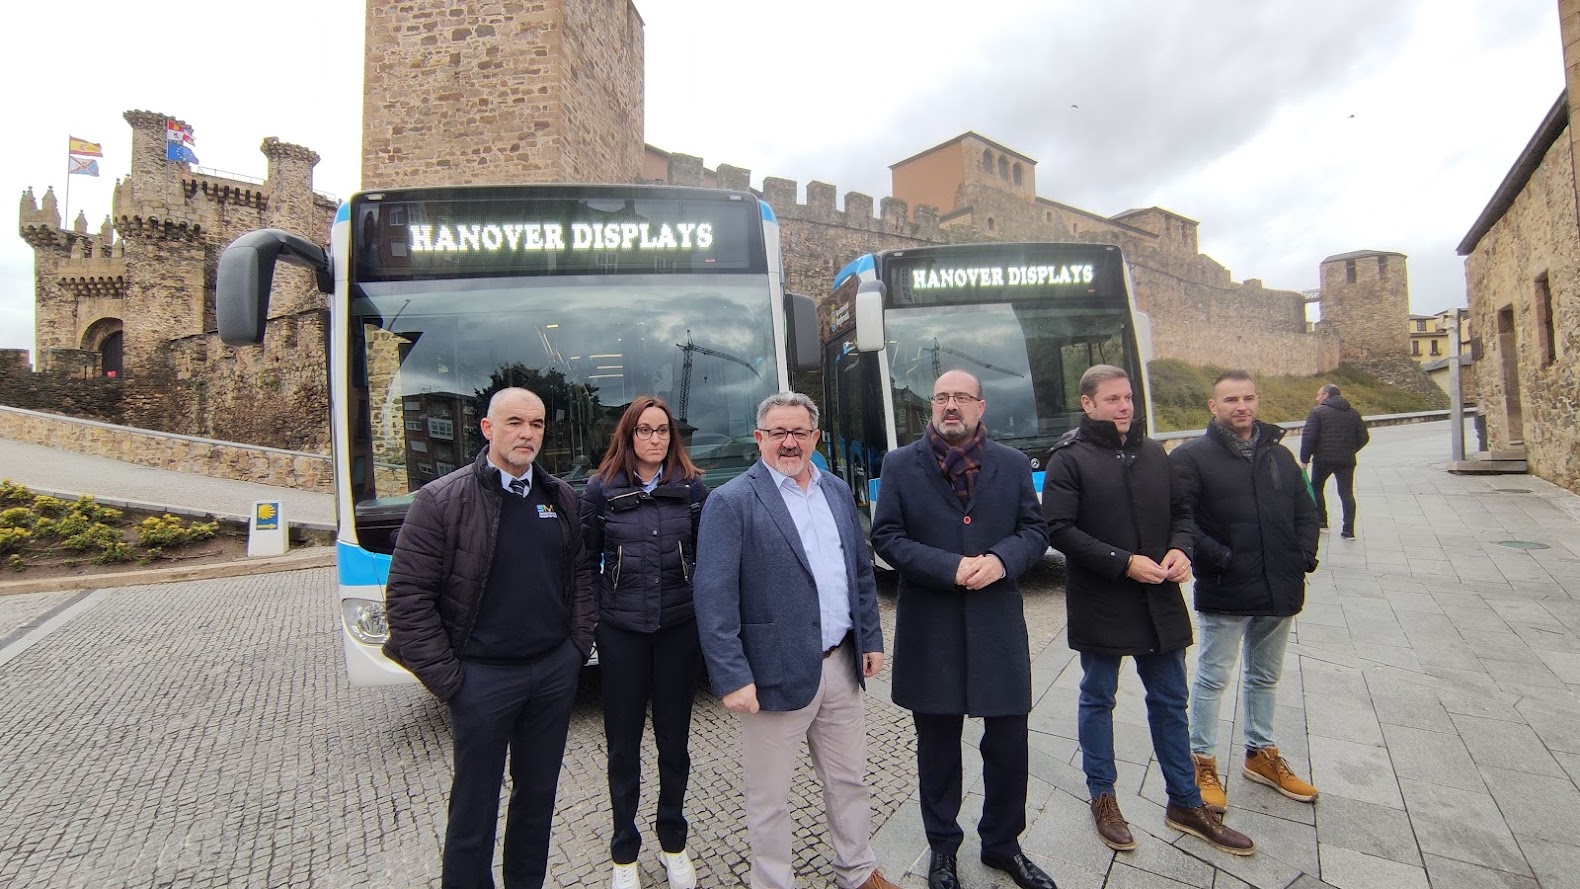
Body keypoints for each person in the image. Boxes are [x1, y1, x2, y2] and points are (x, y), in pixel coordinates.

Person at [383, 386, 596, 889]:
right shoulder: (440, 501)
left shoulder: (560, 497)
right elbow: (408, 600)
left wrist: (574, 649)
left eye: (537, 424)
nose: (527, 434)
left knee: (537, 799)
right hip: (481, 680)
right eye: (515, 423)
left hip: (551, 674)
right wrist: (453, 682)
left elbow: (581, 577)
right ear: (488, 429)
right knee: (473, 810)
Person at [1040, 365, 1254, 857]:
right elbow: (1058, 529)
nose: (1123, 407)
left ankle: (1184, 800)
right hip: (1102, 598)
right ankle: (1104, 797)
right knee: (1099, 698)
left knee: (1170, 700)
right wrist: (1123, 563)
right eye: (1112, 399)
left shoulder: (1155, 452)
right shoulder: (1068, 461)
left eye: (1128, 398)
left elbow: (1183, 514)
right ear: (1088, 404)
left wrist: (1181, 549)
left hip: (1159, 596)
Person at [693, 392, 898, 889]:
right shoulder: (731, 501)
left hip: (840, 665)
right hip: (771, 674)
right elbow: (713, 598)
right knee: (770, 799)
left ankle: (858, 869)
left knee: (849, 779)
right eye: (778, 432)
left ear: (815, 438)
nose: (789, 442)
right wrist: (732, 677)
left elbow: (858, 572)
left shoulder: (835, 492)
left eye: (799, 432)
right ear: (759, 438)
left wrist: (870, 638)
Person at [870, 370, 1056, 889]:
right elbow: (886, 535)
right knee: (936, 747)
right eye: (942, 398)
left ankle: (1002, 845)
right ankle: (943, 849)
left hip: (996, 622)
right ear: (933, 407)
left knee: (1008, 744)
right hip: (931, 627)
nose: (951, 406)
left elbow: (1035, 531)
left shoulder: (1014, 465)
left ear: (981, 406)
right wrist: (949, 566)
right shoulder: (900, 465)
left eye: (962, 398)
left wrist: (1000, 560)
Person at [1170, 371, 1320, 815]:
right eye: (1231, 399)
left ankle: (1261, 754)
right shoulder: (1191, 457)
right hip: (1227, 585)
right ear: (1212, 406)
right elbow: (1182, 520)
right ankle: (1203, 762)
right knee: (1213, 678)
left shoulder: (1279, 455)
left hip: (1280, 584)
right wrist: (1221, 559)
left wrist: (1302, 557)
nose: (1242, 406)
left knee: (1264, 676)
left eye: (1249, 398)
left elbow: (1305, 511)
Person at [580, 397, 707, 889]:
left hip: (678, 630)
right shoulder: (600, 489)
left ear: (671, 437)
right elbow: (586, 563)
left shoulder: (692, 488)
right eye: (644, 431)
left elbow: (707, 557)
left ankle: (674, 842)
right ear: (628, 435)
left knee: (674, 744)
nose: (654, 439)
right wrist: (596, 622)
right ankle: (624, 853)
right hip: (621, 634)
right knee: (623, 747)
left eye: (662, 431)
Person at [1299, 384, 1369, 539]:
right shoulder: (1353, 413)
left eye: (1319, 395)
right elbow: (1364, 437)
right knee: (1346, 494)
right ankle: (1348, 530)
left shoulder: (1318, 412)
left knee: (1316, 488)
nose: (1317, 398)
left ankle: (1322, 521)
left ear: (1326, 395)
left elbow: (1309, 437)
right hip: (1347, 460)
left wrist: (1304, 459)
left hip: (1323, 459)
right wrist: (1350, 449)